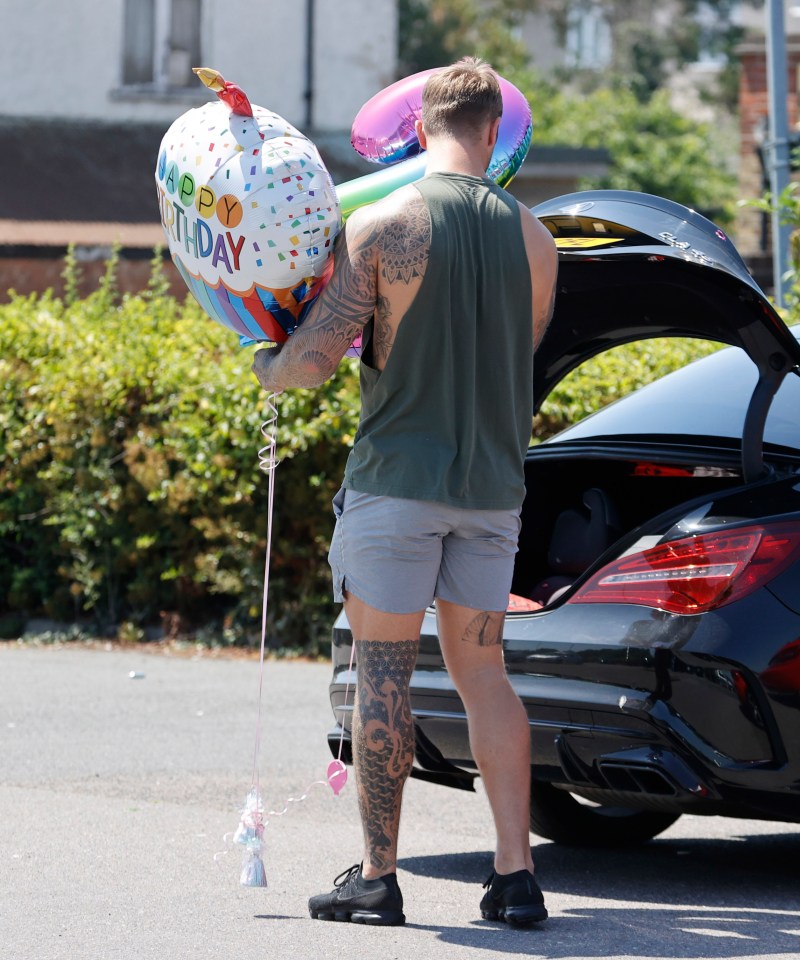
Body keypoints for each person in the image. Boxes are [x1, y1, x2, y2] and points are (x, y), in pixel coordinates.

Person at [251, 56, 558, 928]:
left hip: (397, 489)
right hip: (492, 492)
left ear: (418, 131)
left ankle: (378, 880)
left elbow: (311, 363)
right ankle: (514, 876)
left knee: (383, 675)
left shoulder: (386, 223)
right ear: (496, 133)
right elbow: (520, 356)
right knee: (484, 675)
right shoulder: (537, 241)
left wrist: (269, 365)